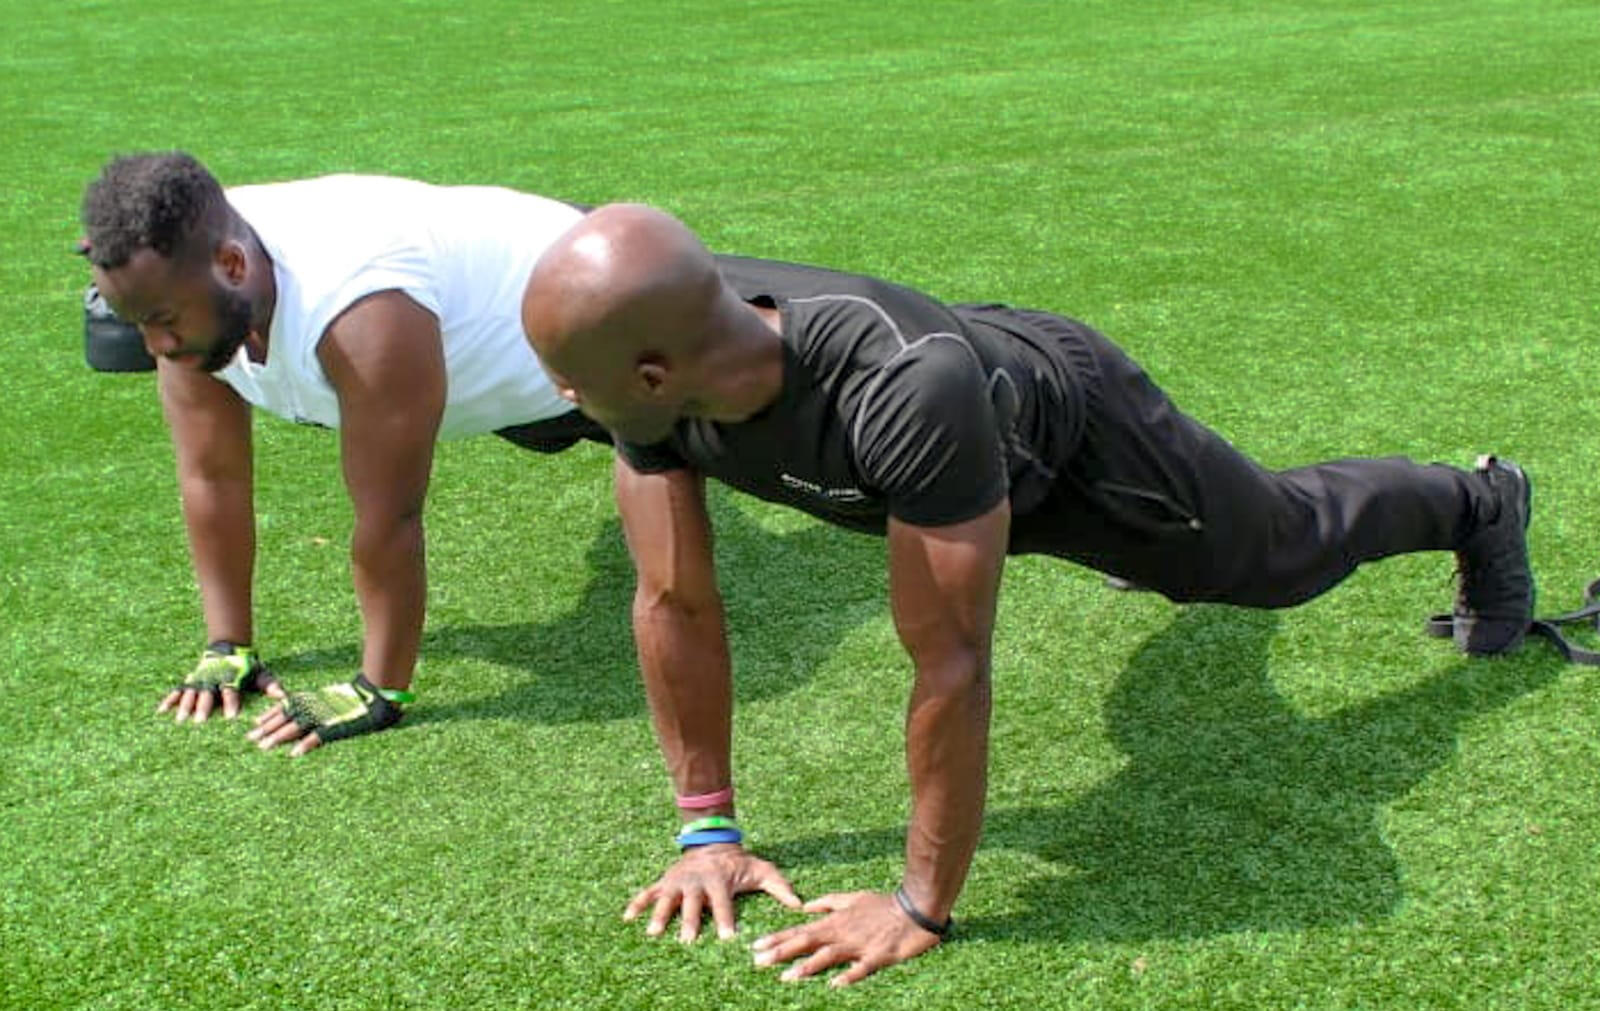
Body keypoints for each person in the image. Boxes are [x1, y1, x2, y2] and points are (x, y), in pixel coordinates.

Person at [519, 203, 1535, 986]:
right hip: (948, 460)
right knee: (1148, 613)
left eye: (568, 380)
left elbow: (950, 663)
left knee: (1277, 556)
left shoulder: (895, 386)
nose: (561, 399)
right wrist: (708, 831)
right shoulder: (661, 371)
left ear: (651, 374)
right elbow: (673, 602)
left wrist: (920, 907)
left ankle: (1483, 500)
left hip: (1075, 451)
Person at [82, 152, 607, 755]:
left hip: (602, 309)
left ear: (232, 265)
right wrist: (228, 646)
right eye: (137, 323)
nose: (155, 346)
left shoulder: (362, 304)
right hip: (493, 381)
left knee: (721, 415)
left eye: (162, 322)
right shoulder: (184, 272)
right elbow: (212, 475)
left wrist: (379, 688)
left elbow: (390, 517)